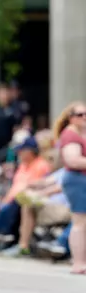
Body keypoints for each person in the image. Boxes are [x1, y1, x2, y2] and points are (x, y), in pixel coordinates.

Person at [53, 101, 86, 274]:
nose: (84, 117)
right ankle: (78, 263)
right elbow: (73, 160)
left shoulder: (80, 133)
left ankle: (81, 261)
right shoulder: (70, 135)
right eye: (80, 114)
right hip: (77, 180)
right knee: (79, 222)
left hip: (80, 179)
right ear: (71, 117)